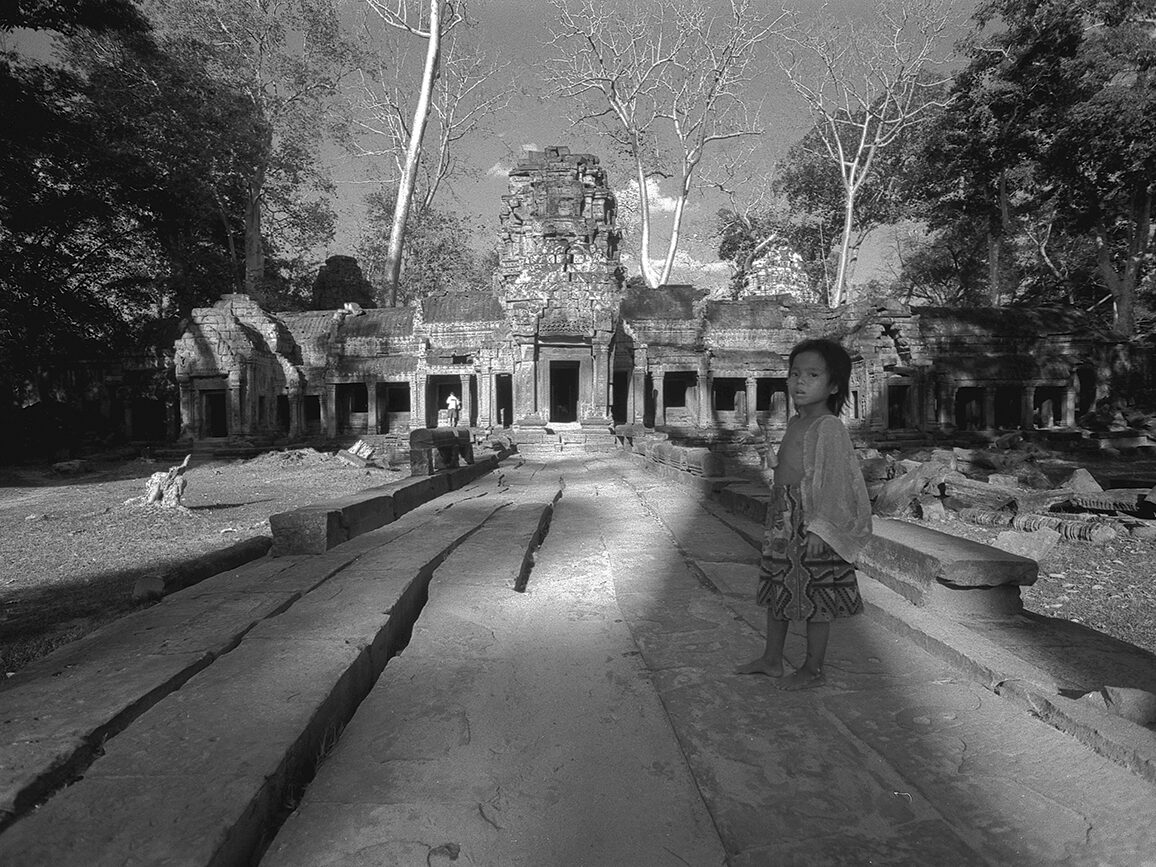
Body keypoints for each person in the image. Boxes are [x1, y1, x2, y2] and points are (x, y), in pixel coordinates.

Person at [736, 338, 872, 690]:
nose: (799, 381)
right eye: (795, 373)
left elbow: (835, 481)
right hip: (783, 515)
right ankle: (772, 659)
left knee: (817, 597)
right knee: (778, 588)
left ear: (834, 385)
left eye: (812, 374)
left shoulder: (828, 426)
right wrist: (775, 463)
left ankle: (813, 668)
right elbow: (798, 466)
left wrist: (820, 529)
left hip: (811, 520)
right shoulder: (798, 421)